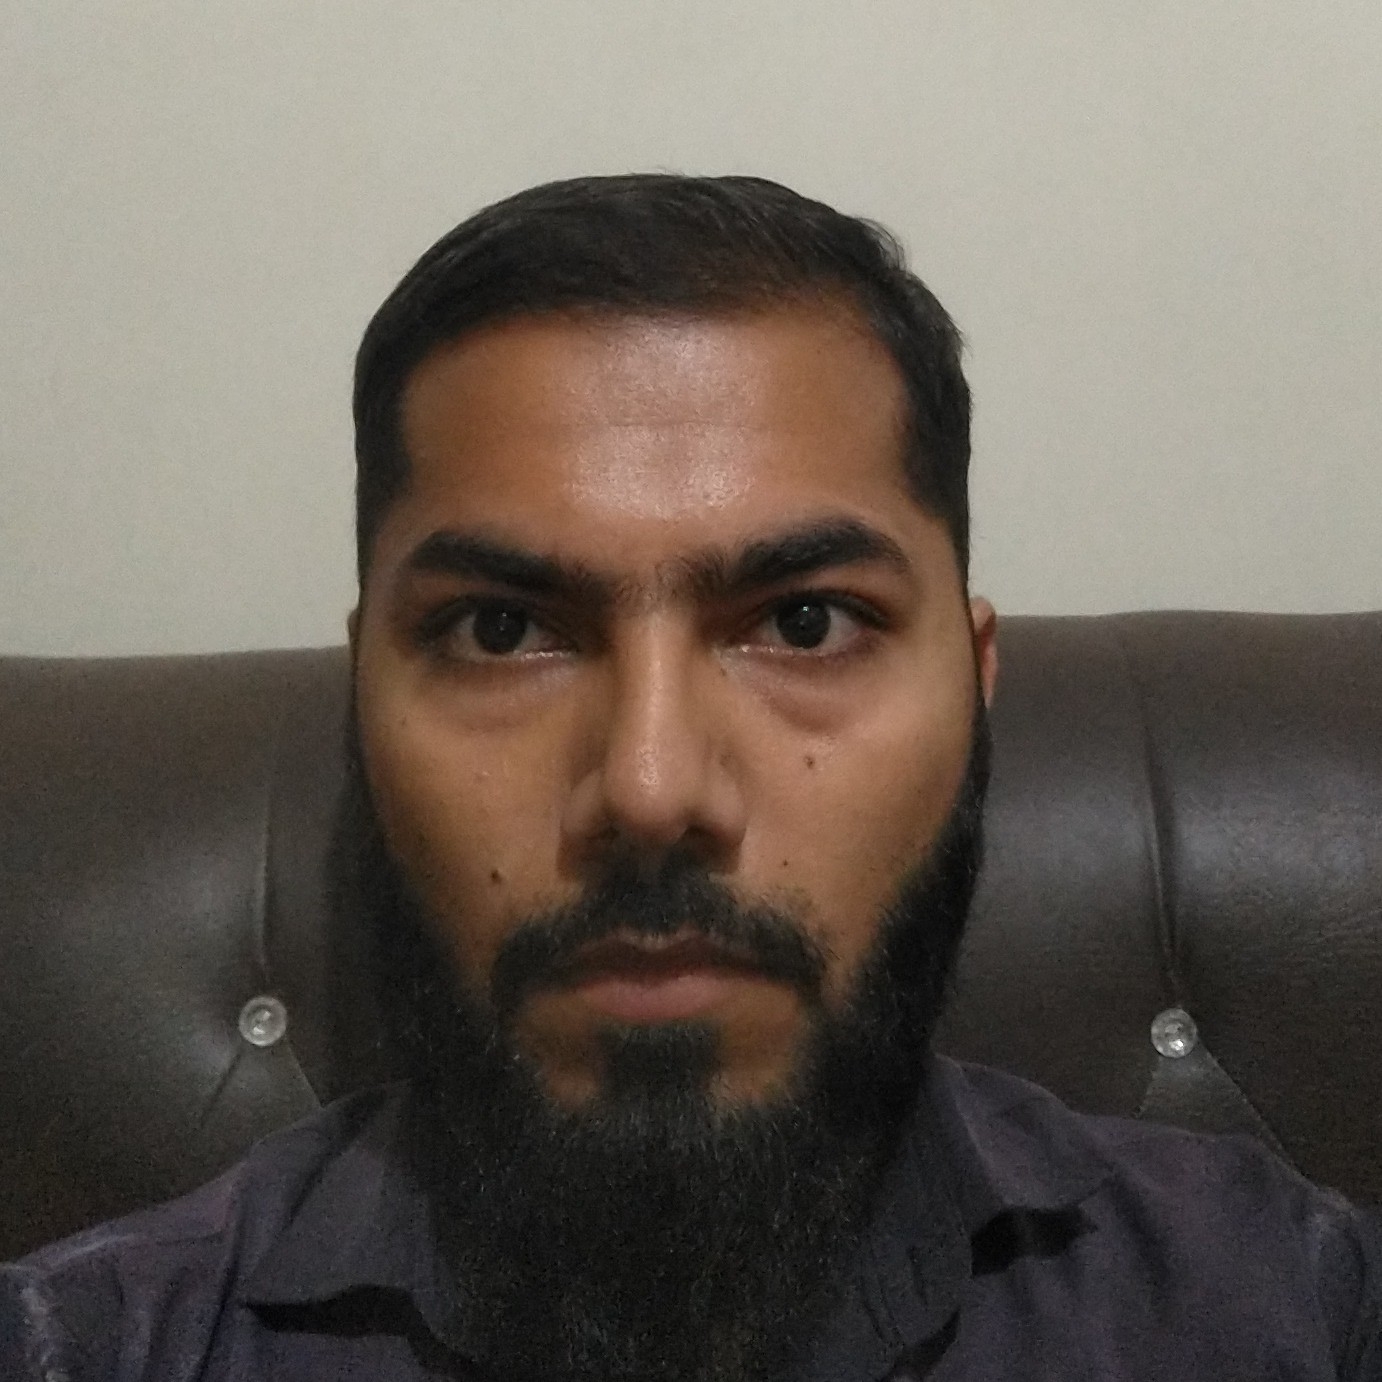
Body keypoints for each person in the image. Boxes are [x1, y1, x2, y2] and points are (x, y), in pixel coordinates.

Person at [2, 174, 1379, 1381]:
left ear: (973, 682)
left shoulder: (1286, 1307)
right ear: (362, 694)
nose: (652, 790)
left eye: (804, 622)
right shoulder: (96, 1343)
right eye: (502, 630)